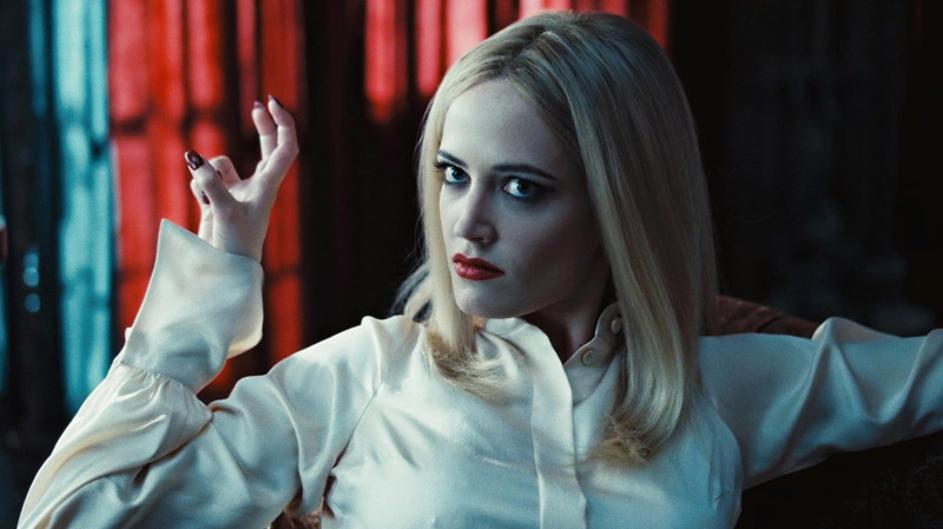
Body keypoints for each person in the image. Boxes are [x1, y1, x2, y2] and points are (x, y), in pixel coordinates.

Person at [16, 11, 943, 529]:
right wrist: (218, 278)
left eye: (522, 188)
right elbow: (74, 516)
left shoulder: (719, 391)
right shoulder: (368, 374)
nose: (466, 221)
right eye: (453, 174)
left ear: (618, 207)